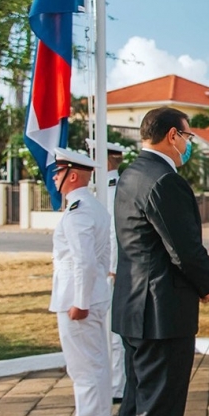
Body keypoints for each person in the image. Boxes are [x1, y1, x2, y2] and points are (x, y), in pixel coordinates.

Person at [112, 107, 209, 416]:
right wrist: (207, 285)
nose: (189, 145)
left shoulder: (131, 174)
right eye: (188, 137)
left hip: (134, 310)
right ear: (173, 136)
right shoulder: (164, 180)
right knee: (157, 415)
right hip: (162, 313)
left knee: (135, 409)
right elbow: (184, 248)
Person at [49, 147, 114, 416]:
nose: (54, 177)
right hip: (92, 294)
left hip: (78, 300)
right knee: (95, 363)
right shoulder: (94, 207)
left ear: (72, 176)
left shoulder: (78, 212)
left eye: (58, 172)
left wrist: (81, 302)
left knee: (84, 367)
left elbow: (84, 261)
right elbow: (104, 256)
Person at [87, 139, 128, 402]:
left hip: (111, 272)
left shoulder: (113, 189)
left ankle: (116, 386)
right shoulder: (102, 188)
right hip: (102, 271)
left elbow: (114, 232)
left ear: (106, 160)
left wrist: (112, 268)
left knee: (113, 333)